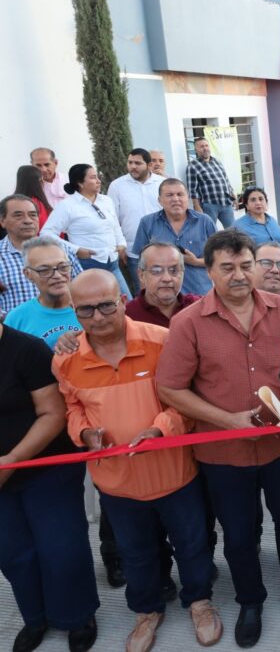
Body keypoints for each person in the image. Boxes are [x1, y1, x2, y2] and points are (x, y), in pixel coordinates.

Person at [156, 230, 280, 647]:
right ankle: (251, 599)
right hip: (223, 451)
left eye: (246, 265)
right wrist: (228, 420)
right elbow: (171, 388)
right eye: (226, 267)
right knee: (239, 532)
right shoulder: (188, 323)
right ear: (208, 271)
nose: (239, 275)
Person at [55, 269, 223, 651]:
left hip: (174, 473)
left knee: (193, 544)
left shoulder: (162, 342)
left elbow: (187, 402)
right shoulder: (66, 361)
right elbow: (72, 408)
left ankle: (199, 602)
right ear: (73, 311)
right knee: (135, 552)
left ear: (122, 299)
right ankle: (146, 611)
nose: (97, 317)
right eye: (85, 310)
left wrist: (160, 429)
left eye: (105, 306)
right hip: (117, 481)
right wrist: (83, 433)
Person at [0, 320, 99, 652]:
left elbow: (52, 413)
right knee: (13, 553)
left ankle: (77, 615)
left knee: (61, 547)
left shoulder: (26, 349)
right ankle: (35, 617)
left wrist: (11, 459)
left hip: (44, 465)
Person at [40, 163, 130, 296]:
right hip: (87, 264)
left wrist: (122, 243)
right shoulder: (67, 206)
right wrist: (75, 250)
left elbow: (115, 226)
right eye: (93, 177)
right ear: (80, 183)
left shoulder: (106, 200)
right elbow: (46, 234)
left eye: (97, 177)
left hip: (112, 262)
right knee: (96, 303)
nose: (98, 181)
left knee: (126, 302)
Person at [133, 178, 216, 297]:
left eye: (180, 194)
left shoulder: (205, 222)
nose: (175, 199)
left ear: (187, 198)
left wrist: (195, 262)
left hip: (199, 293)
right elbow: (141, 263)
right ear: (159, 200)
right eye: (169, 195)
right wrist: (144, 295)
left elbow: (218, 259)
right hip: (162, 295)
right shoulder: (147, 223)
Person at [0, 195, 82, 316]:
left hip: (66, 325)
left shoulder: (62, 249)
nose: (27, 220)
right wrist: (13, 321)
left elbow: (81, 287)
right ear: (2, 221)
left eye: (33, 215)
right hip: (16, 330)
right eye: (18, 215)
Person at [4, 238, 82, 348]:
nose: (57, 275)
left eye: (63, 267)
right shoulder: (17, 319)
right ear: (28, 274)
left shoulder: (94, 309)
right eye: (45, 270)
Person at [108, 149, 162, 294]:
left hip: (163, 248)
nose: (133, 166)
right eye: (130, 162)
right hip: (134, 251)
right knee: (142, 292)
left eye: (138, 163)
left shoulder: (162, 184)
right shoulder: (117, 186)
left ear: (149, 165)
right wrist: (120, 245)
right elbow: (112, 218)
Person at [125, 242, 202, 326]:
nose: (167, 278)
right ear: (141, 275)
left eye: (174, 271)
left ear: (183, 273)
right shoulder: (127, 316)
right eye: (157, 271)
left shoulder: (198, 307)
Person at [186, 137, 237, 229]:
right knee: (209, 231)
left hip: (225, 203)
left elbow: (225, 180)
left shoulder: (217, 161)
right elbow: (192, 190)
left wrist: (233, 194)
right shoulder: (193, 166)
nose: (205, 148)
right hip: (208, 205)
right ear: (196, 150)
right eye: (201, 146)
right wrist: (197, 207)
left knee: (233, 230)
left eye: (206, 145)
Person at [13, 165, 54, 229]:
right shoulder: (35, 203)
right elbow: (43, 228)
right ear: (40, 181)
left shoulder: (11, 203)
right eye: (42, 179)